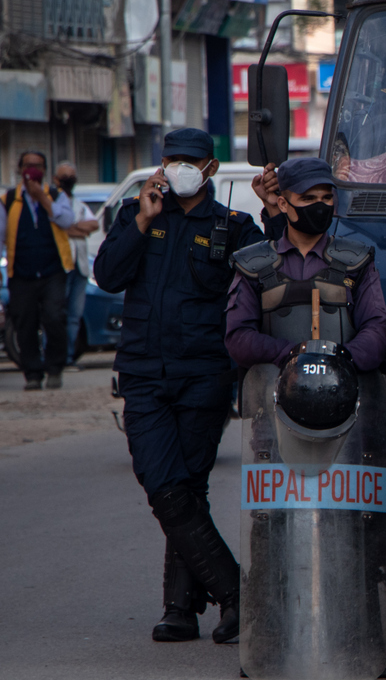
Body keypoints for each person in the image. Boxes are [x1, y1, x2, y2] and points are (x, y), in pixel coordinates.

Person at [93, 128, 264, 644]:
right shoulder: (137, 218)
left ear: (210, 169)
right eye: (173, 160)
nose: (181, 169)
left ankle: (180, 609)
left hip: (204, 375)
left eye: (192, 161)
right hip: (144, 374)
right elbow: (107, 275)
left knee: (187, 485)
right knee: (161, 481)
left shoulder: (234, 227)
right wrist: (142, 220)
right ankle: (235, 592)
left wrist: (275, 209)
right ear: (161, 165)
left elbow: (268, 278)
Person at [225, 157, 386, 371]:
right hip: (271, 395)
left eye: (326, 197)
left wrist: (338, 360)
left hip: (344, 390)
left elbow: (376, 328)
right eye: (308, 198)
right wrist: (294, 356)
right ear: (283, 204)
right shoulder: (253, 264)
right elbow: (238, 337)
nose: (320, 206)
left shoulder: (357, 260)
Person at [0, 150, 73, 390]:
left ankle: (55, 368)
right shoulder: (8, 199)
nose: (33, 170)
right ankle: (32, 373)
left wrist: (43, 200)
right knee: (25, 322)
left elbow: (67, 221)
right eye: (29, 165)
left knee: (54, 317)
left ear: (45, 170)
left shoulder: (56, 195)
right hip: (21, 273)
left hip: (53, 270)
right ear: (20, 169)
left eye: (38, 165)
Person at [54, 162, 100, 369]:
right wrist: (75, 229)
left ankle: (68, 358)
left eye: (71, 176)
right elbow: (56, 229)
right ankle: (54, 358)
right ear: (56, 179)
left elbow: (94, 224)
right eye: (65, 176)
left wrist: (69, 228)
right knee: (55, 315)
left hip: (80, 266)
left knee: (74, 315)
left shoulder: (80, 205)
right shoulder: (51, 202)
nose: (69, 180)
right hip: (60, 267)